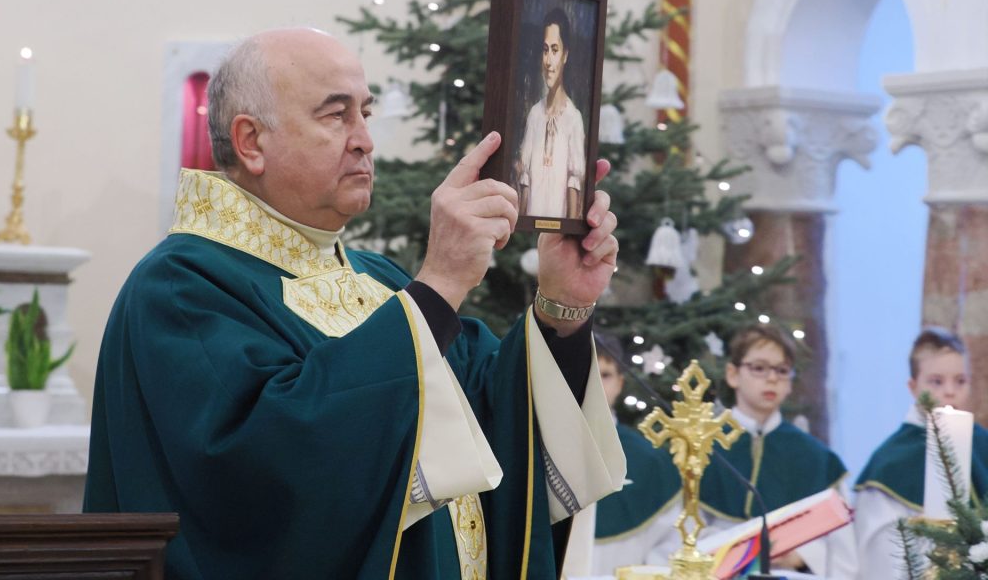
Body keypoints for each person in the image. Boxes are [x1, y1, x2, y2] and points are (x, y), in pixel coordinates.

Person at [83, 28, 625, 580]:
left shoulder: (379, 279)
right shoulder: (180, 287)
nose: (365, 140)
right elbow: (271, 471)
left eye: (365, 113)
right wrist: (439, 283)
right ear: (251, 142)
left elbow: (491, 414)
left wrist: (561, 306)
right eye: (336, 115)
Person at [699, 324, 857, 579]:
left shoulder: (816, 458)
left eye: (782, 370)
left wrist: (800, 555)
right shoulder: (703, 446)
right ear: (733, 374)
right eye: (759, 368)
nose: (772, 378)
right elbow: (682, 531)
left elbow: (842, 552)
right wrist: (738, 551)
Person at [854, 328, 988, 580]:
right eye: (936, 381)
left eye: (960, 381)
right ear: (913, 387)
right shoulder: (891, 462)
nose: (950, 391)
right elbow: (882, 557)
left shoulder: (983, 443)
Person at [586, 332, 683, 576]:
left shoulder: (650, 460)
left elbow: (670, 543)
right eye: (585, 370)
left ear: (620, 383)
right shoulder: (535, 451)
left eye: (605, 375)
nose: (594, 382)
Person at [517, 7, 587, 220]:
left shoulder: (573, 119)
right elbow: (525, 182)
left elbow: (574, 182)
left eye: (555, 50)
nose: (548, 61)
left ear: (565, 55)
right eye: (545, 50)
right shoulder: (535, 115)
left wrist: (569, 230)